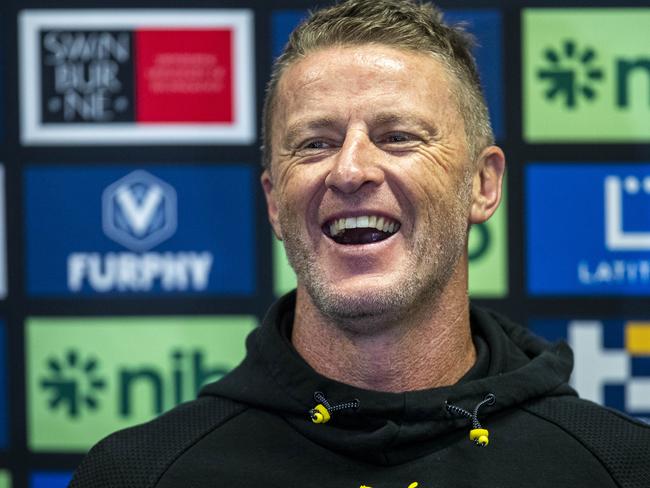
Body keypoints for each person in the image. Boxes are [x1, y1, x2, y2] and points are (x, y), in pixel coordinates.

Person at [70, 1, 650, 486]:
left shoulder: (620, 468)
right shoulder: (138, 475)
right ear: (274, 201)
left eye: (397, 137)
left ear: (482, 184)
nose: (349, 170)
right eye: (315, 144)